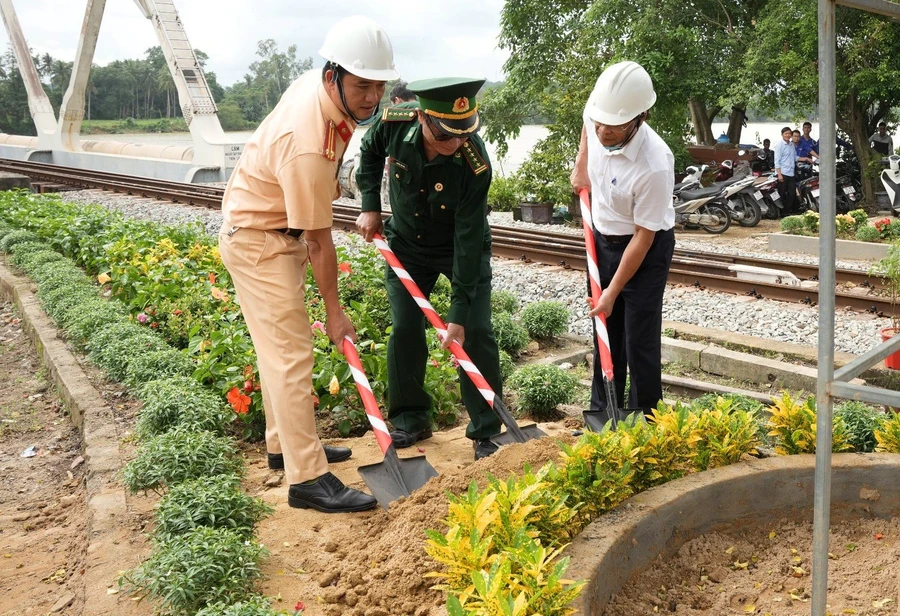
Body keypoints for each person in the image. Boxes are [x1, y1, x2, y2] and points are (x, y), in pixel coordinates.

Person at [218, 15, 398, 513]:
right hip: (261, 243)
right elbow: (321, 243)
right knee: (292, 356)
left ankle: (285, 446)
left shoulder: (321, 93)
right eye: (362, 85)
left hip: (266, 228)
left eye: (378, 85)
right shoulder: (307, 143)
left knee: (275, 353)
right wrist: (335, 313)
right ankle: (307, 478)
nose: (371, 97)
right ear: (332, 76)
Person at [355, 78, 503, 461]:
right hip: (407, 245)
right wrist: (370, 204)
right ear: (421, 117)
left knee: (476, 332)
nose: (455, 144)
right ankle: (410, 418)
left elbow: (469, 241)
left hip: (457, 247)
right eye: (445, 136)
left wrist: (458, 314)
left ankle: (487, 431)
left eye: (463, 134)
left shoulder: (475, 161)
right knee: (404, 328)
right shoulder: (391, 124)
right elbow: (368, 154)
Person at [570, 61, 675, 420]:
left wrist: (612, 291)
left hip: (643, 250)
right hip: (601, 241)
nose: (603, 130)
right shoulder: (600, 113)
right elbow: (588, 124)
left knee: (638, 339)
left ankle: (646, 417)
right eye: (599, 122)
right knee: (604, 330)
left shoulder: (654, 165)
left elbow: (644, 238)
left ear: (639, 118)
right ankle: (603, 413)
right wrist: (583, 162)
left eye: (613, 127)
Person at [774, 126, 798, 214]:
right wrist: (779, 174)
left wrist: (807, 159)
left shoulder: (791, 145)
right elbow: (777, 161)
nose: (788, 135)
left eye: (789, 134)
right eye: (786, 134)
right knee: (782, 193)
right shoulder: (779, 145)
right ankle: (779, 211)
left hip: (791, 173)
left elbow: (795, 157)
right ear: (782, 135)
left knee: (792, 193)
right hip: (783, 173)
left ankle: (786, 210)